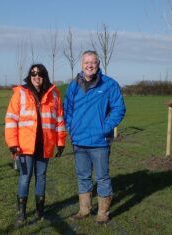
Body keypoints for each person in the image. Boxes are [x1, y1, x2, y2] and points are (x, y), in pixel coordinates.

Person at [63, 50, 126, 224]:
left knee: (102, 178)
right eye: (86, 63)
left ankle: (103, 213)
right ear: (81, 64)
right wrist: (70, 127)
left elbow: (119, 109)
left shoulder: (109, 84)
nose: (89, 65)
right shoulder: (74, 84)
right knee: (83, 176)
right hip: (79, 141)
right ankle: (84, 210)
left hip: (99, 142)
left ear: (98, 65)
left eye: (93, 63)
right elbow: (67, 108)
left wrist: (103, 128)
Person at [5, 63, 67, 226]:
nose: (37, 78)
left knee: (41, 177)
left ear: (44, 76)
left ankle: (41, 212)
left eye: (40, 75)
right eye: (34, 75)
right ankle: (22, 214)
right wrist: (13, 144)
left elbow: (59, 120)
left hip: (45, 145)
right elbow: (11, 119)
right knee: (25, 178)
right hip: (25, 146)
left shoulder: (54, 94)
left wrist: (60, 142)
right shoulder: (20, 93)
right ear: (30, 77)